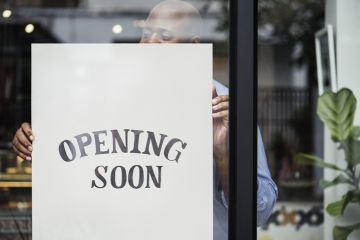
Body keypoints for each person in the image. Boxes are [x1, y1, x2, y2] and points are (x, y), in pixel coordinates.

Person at [12, 0, 277, 238]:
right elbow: (81, 168)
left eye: (165, 36)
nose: (150, 43)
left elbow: (259, 214)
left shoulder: (225, 107)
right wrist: (37, 141)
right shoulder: (110, 99)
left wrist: (223, 155)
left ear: (193, 46)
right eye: (145, 34)